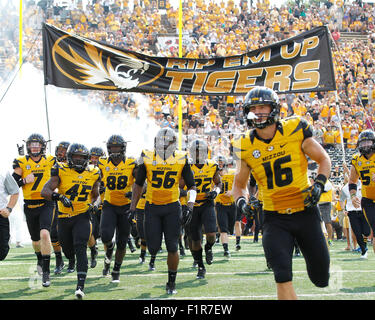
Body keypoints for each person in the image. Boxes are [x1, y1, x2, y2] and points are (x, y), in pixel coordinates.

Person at [231, 86, 331, 300]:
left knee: (321, 278)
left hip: (305, 211)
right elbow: (238, 184)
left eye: (263, 106)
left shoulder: (295, 128)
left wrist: (319, 184)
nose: (258, 112)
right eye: (254, 107)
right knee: (282, 274)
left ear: (274, 108)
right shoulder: (244, 144)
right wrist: (242, 203)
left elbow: (323, 159)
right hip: (274, 218)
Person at [129, 127, 196, 295]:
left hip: (172, 207)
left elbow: (192, 185)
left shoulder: (181, 158)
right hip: (152, 207)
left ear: (173, 145)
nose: (163, 147)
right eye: (161, 143)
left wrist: (189, 206)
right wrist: (132, 207)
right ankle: (151, 254)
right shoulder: (147, 157)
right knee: (153, 247)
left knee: (172, 246)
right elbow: (138, 184)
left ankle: (171, 282)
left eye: (167, 144)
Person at [41, 143, 101, 299]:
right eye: (76, 157)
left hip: (82, 215)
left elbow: (96, 194)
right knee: (68, 252)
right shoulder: (60, 169)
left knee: (80, 246)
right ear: (69, 157)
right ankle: (74, 259)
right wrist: (59, 196)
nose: (79, 160)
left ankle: (80, 286)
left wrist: (94, 205)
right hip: (63, 217)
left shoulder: (94, 172)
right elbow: (45, 191)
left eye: (82, 157)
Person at [12, 133, 56, 287]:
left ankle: (46, 271)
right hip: (30, 205)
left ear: (43, 146)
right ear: (28, 146)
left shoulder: (51, 160)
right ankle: (39, 257)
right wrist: (24, 180)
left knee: (45, 234)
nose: (35, 147)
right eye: (32, 144)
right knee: (35, 241)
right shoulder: (21, 161)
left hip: (46, 203)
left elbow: (59, 177)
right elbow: (12, 184)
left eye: (37, 144)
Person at [98, 135, 137, 283]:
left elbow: (141, 183)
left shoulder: (131, 163)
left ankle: (116, 269)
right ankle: (109, 250)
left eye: (117, 147)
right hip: (109, 204)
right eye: (112, 147)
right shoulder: (102, 163)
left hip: (126, 206)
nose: (114, 150)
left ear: (123, 148)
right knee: (106, 236)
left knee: (122, 241)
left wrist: (134, 193)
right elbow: (95, 179)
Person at [188, 139, 222, 279]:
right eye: (196, 151)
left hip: (207, 203)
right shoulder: (188, 166)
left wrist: (216, 191)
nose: (198, 154)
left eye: (200, 151)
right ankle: (201, 266)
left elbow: (218, 182)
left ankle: (208, 248)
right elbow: (179, 186)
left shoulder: (212, 165)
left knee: (211, 235)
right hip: (192, 206)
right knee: (195, 241)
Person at [349, 129, 375, 254]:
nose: (365, 146)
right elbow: (352, 181)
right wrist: (353, 195)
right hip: (368, 201)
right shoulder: (356, 160)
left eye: (368, 142)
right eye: (362, 143)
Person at [51, 141, 70, 274]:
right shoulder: (51, 163)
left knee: (71, 234)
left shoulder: (74, 165)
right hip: (55, 201)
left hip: (70, 203)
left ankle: (74, 259)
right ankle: (59, 260)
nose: (60, 153)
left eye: (64, 150)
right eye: (59, 150)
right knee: (53, 233)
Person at [340, 180, 369, 258]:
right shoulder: (345, 188)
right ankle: (363, 250)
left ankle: (364, 245)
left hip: (363, 210)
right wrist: (343, 209)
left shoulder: (363, 183)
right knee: (357, 232)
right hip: (352, 212)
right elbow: (342, 199)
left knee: (366, 232)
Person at [215, 155, 236, 257]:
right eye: (218, 163)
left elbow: (240, 186)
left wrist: (233, 191)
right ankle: (226, 249)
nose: (220, 165)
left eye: (221, 163)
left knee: (230, 229)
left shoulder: (232, 173)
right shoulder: (213, 176)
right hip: (220, 205)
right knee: (223, 229)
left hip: (232, 205)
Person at [0, 170, 19, 260]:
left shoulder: (3, 172)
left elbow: (15, 191)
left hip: (1, 214)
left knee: (2, 251)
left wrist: (9, 208)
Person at [318, 177, 335, 246]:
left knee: (327, 222)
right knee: (318, 223)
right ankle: (320, 239)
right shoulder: (319, 182)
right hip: (318, 203)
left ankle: (330, 239)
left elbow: (322, 189)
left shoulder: (328, 183)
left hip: (326, 204)